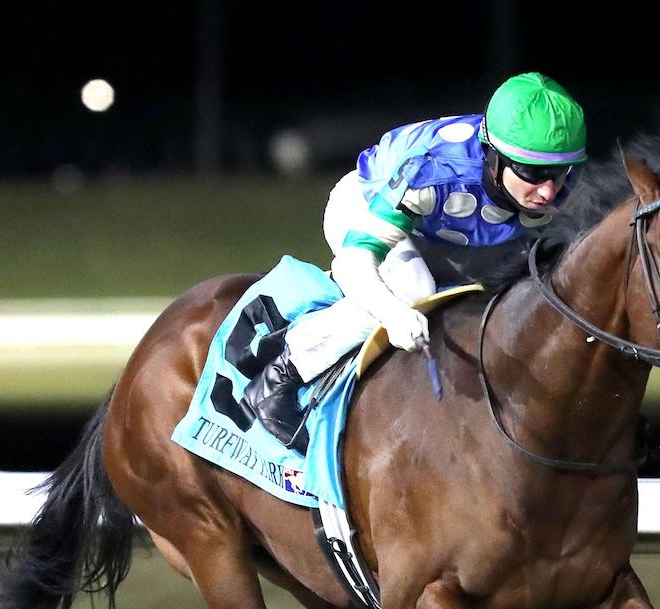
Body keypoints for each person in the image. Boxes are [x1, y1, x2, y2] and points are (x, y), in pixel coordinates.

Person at [241, 71, 588, 450]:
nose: (549, 190)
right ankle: (282, 372)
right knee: (413, 289)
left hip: (446, 234)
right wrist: (393, 314)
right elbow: (354, 262)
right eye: (533, 172)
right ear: (493, 157)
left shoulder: (555, 184)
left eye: (558, 172)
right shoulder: (432, 172)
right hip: (365, 206)